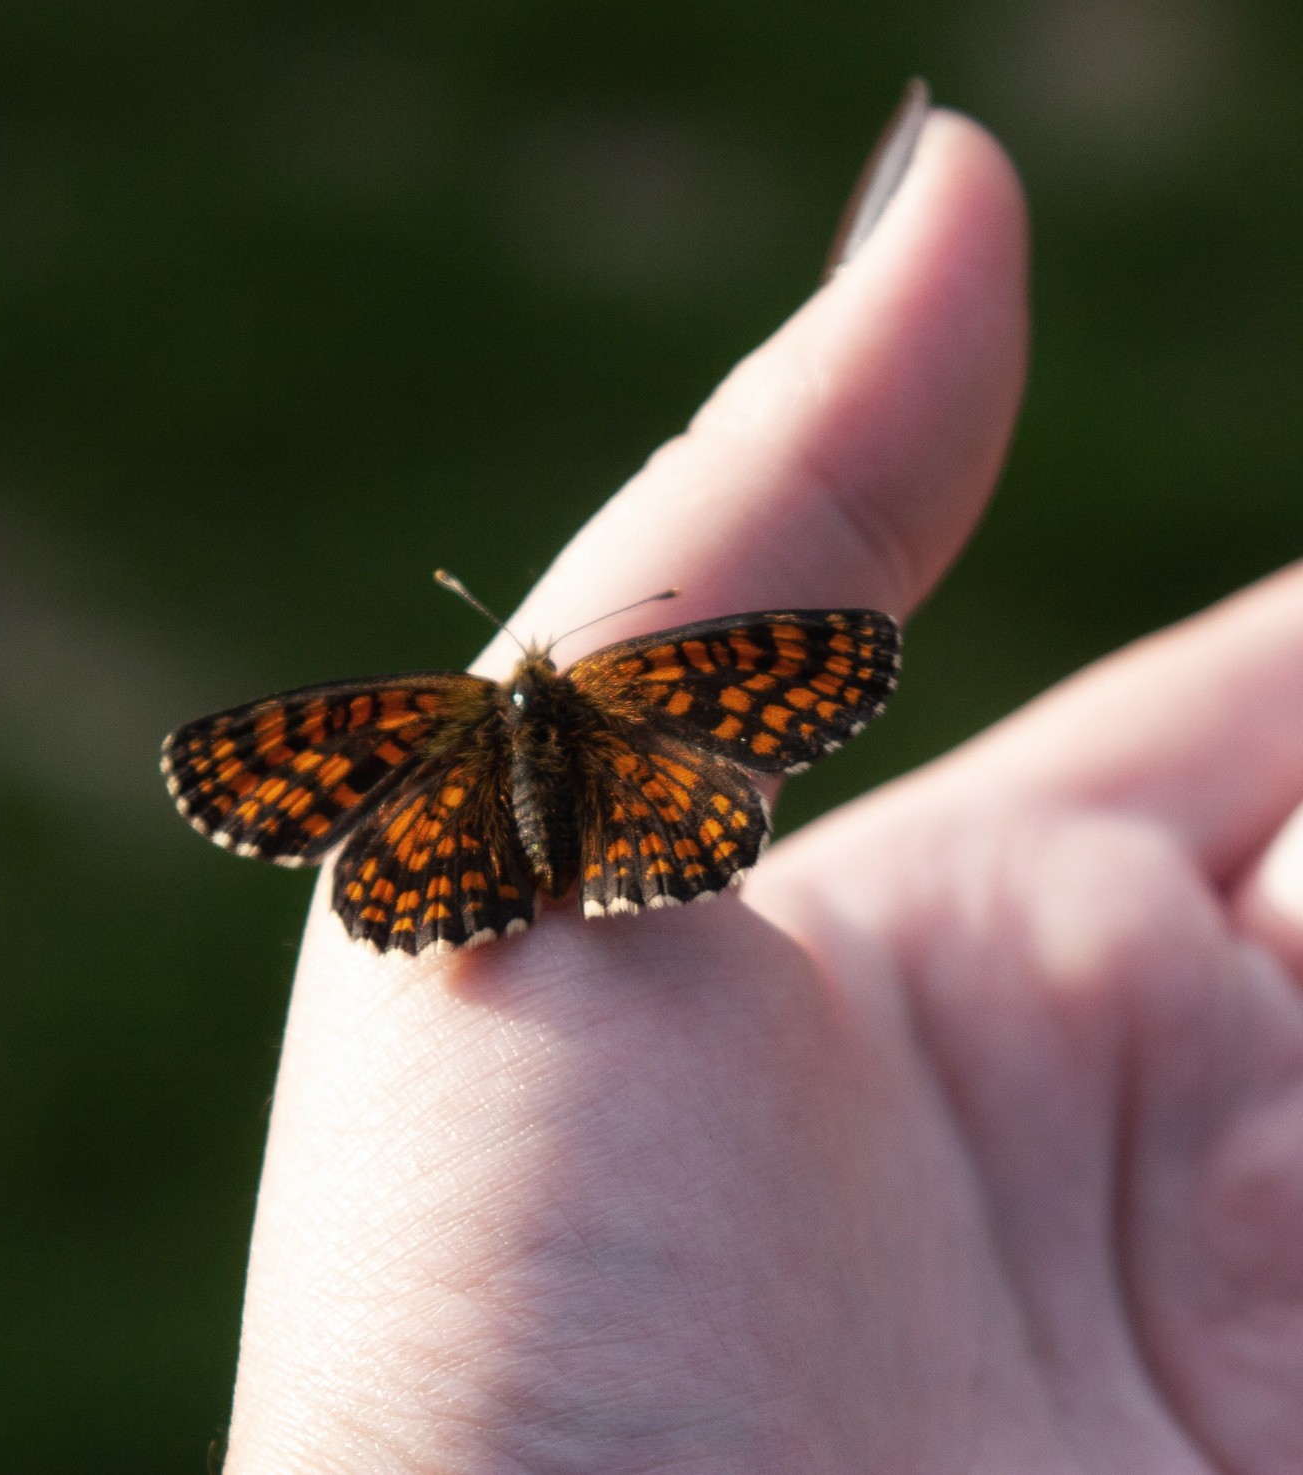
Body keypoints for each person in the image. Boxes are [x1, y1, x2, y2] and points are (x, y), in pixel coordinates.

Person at [220, 87, 1303, 1471]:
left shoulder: (430, 718)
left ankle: (491, 884)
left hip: (473, 828)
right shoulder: (643, 689)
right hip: (641, 813)